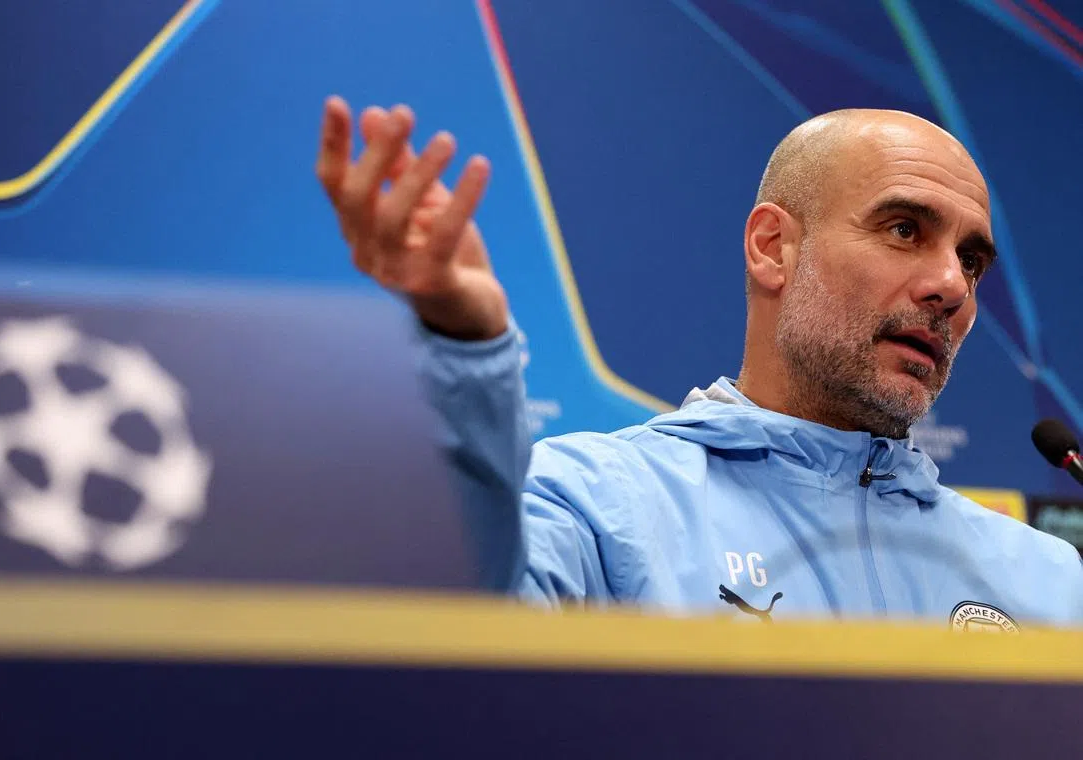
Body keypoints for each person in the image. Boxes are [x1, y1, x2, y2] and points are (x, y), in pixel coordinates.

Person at [316, 96, 1083, 627]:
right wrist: (466, 344)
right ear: (772, 247)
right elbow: (452, 650)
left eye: (971, 261)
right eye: (905, 229)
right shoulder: (598, 509)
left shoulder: (1048, 581)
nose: (951, 286)